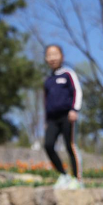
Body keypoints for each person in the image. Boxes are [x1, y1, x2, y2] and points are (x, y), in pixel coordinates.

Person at [43, 44, 83, 189]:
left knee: (70, 146)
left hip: (68, 115)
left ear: (62, 57)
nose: (52, 57)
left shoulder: (68, 74)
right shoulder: (48, 80)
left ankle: (77, 179)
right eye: (49, 55)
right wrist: (46, 120)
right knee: (48, 145)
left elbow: (77, 92)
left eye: (55, 54)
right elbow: (46, 101)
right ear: (46, 59)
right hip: (52, 118)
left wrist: (74, 109)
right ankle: (63, 175)